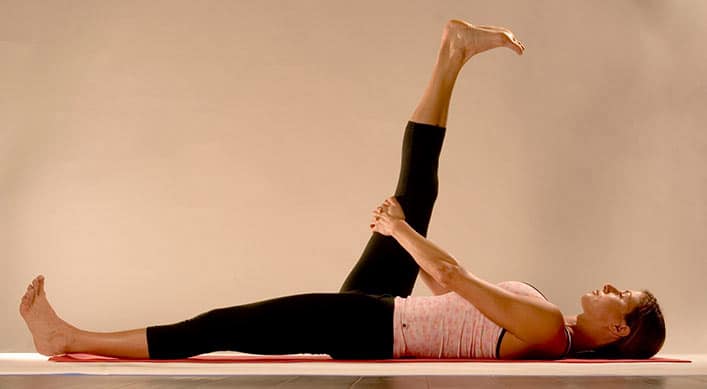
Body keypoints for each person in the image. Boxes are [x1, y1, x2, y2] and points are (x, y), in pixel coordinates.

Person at [19, 19, 665, 361]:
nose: (609, 287)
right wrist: (403, 230)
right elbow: (448, 293)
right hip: (384, 310)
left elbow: (455, 274)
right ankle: (452, 54)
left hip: (372, 325)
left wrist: (399, 230)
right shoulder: (548, 322)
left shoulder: (551, 326)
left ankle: (72, 337)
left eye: (620, 296)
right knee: (415, 187)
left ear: (614, 328)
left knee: (223, 326)